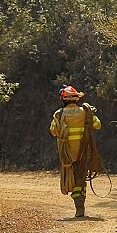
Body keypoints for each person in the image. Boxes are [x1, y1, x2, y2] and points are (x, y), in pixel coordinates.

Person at [49, 85, 103, 217]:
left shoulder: (59, 114)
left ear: (63, 99)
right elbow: (97, 125)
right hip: (84, 153)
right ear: (76, 99)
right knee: (80, 180)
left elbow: (53, 131)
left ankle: (79, 208)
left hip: (67, 154)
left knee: (74, 182)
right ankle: (80, 207)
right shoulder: (85, 112)